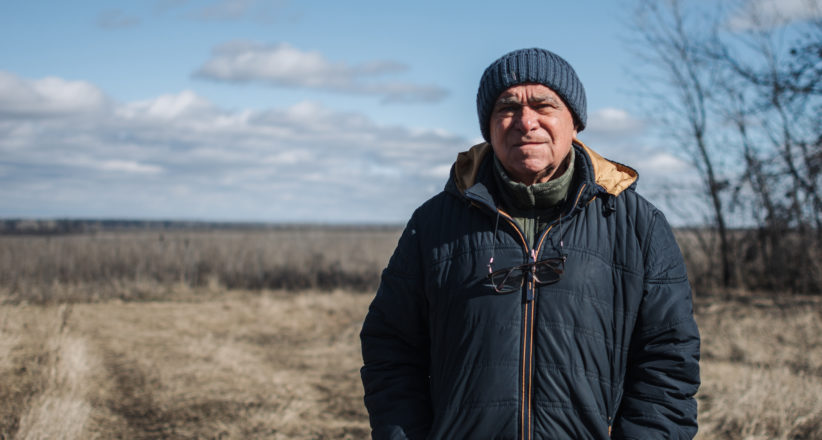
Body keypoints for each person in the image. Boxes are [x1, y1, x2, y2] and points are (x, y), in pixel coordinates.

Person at [360, 47, 700, 439]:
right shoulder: (435, 223)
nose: (526, 122)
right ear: (488, 126)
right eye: (506, 108)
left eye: (544, 105)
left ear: (575, 123)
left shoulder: (636, 225)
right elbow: (392, 348)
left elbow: (669, 361)